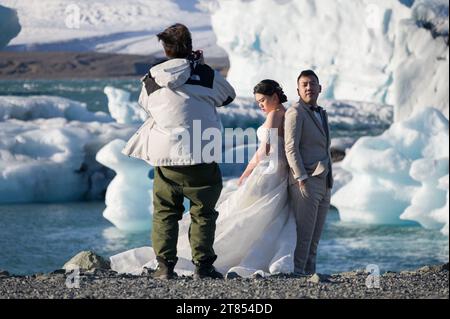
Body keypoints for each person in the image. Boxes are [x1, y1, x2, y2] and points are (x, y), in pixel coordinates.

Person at [111, 79, 298, 278]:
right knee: (265, 213)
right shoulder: (286, 114)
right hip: (278, 169)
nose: (260, 105)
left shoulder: (274, 116)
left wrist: (247, 171)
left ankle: (221, 253)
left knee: (245, 212)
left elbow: (265, 148)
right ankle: (263, 254)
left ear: (275, 97)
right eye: (258, 101)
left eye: (263, 100)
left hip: (266, 169)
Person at [121, 23, 236, 279]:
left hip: (166, 158)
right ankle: (203, 267)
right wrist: (201, 67)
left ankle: (164, 267)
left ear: (166, 49)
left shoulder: (151, 78)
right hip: (201, 155)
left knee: (165, 213)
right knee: (203, 213)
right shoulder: (205, 75)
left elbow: (146, 105)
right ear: (191, 47)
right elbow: (228, 97)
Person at [284, 70, 333, 275]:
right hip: (306, 182)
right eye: (304, 84)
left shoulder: (322, 112)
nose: (308, 87)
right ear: (298, 89)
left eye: (312, 84)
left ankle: (311, 275)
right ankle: (297, 274)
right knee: (304, 235)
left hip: (324, 181)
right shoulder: (295, 112)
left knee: (315, 237)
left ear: (320, 88)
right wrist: (301, 177)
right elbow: (290, 147)